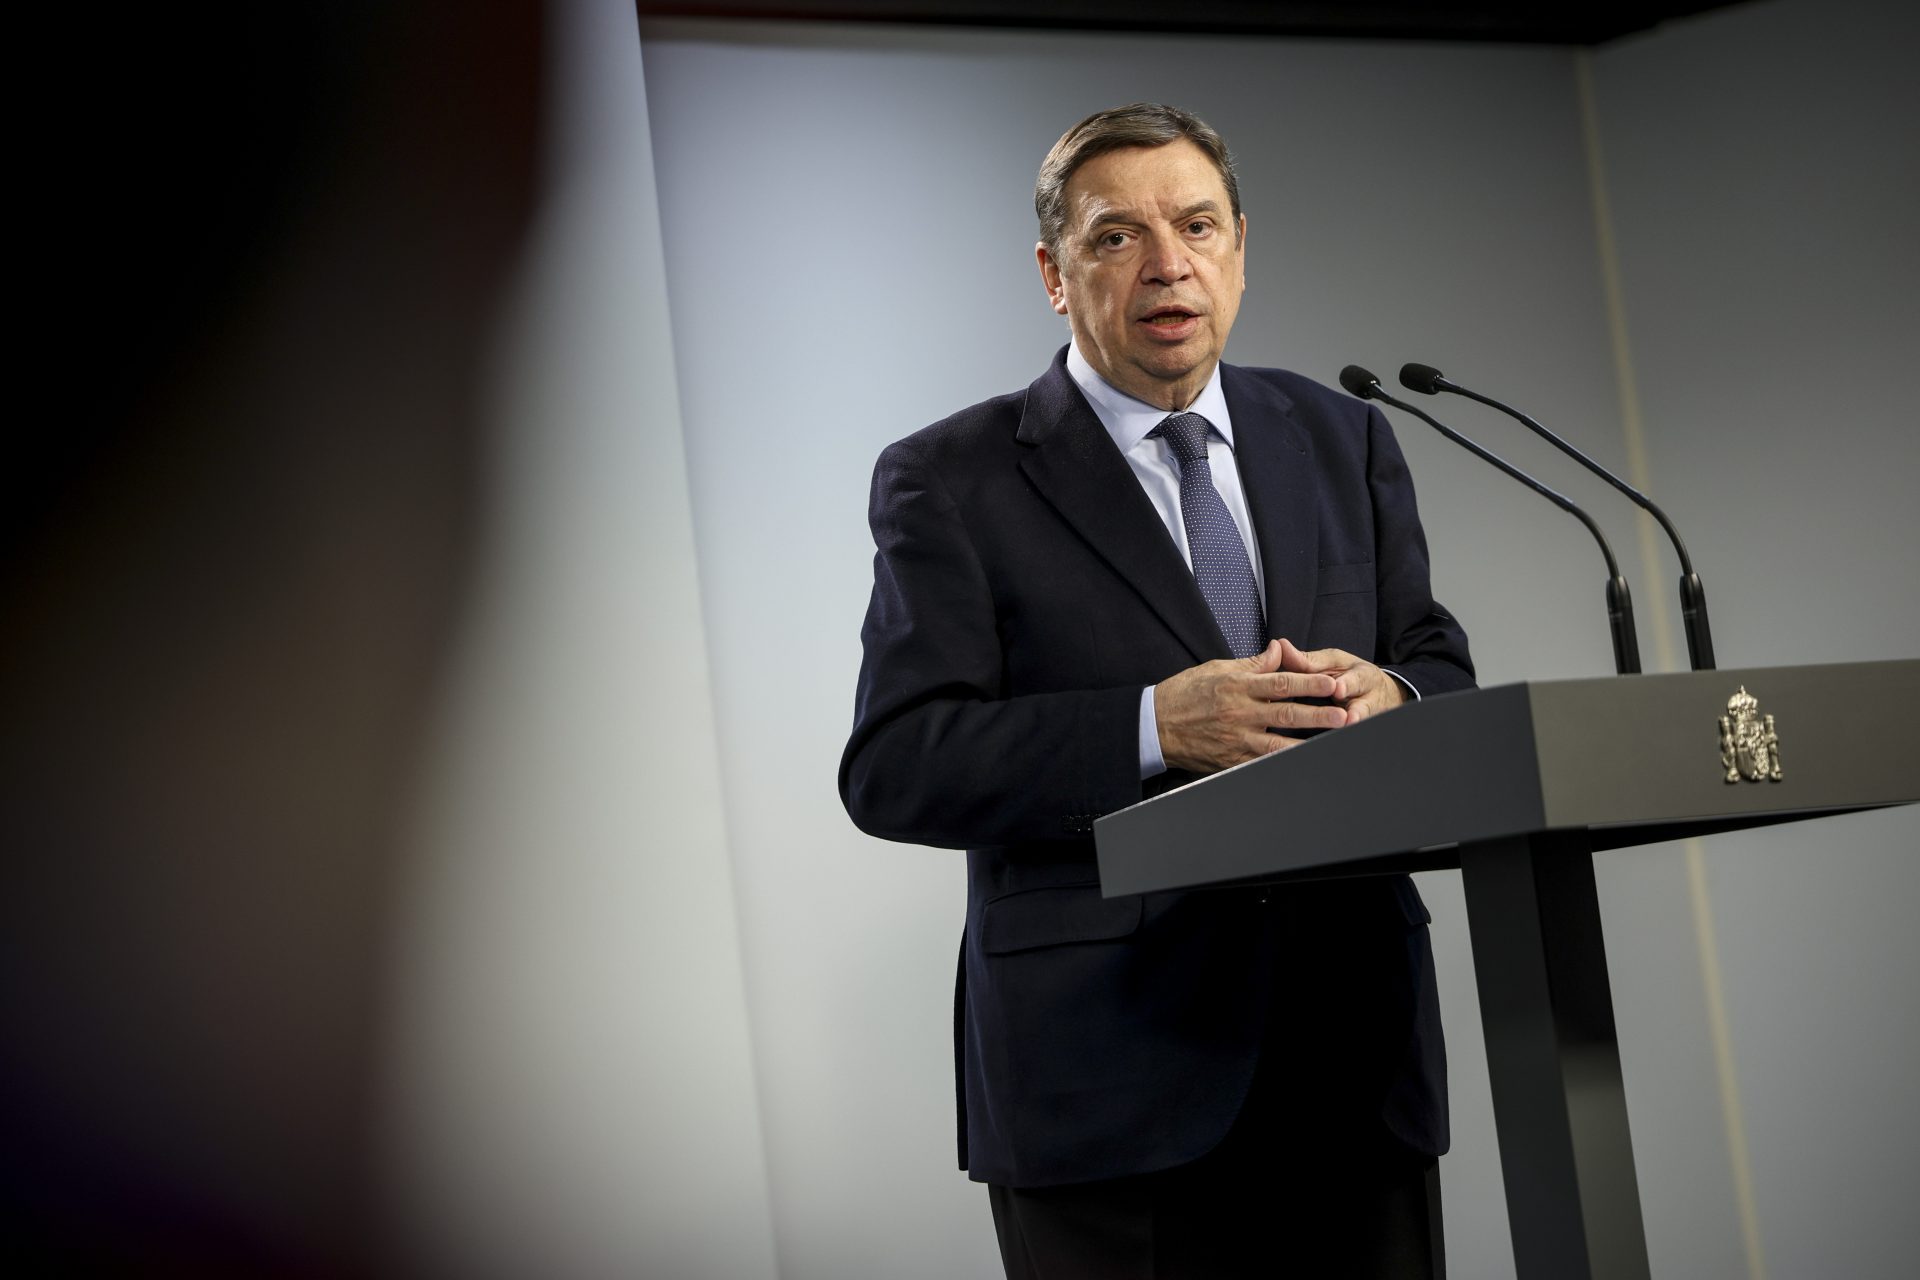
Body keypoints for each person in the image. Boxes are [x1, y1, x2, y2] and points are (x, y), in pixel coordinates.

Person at [840, 103, 1474, 1278]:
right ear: (1054, 273)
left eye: (1196, 225)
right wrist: (1152, 726)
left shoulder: (1344, 437)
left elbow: (1433, 656)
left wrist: (1390, 691)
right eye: (1116, 236)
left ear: (1241, 246)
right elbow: (897, 762)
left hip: (1351, 1061)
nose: (1167, 264)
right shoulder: (952, 478)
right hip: (1106, 1084)